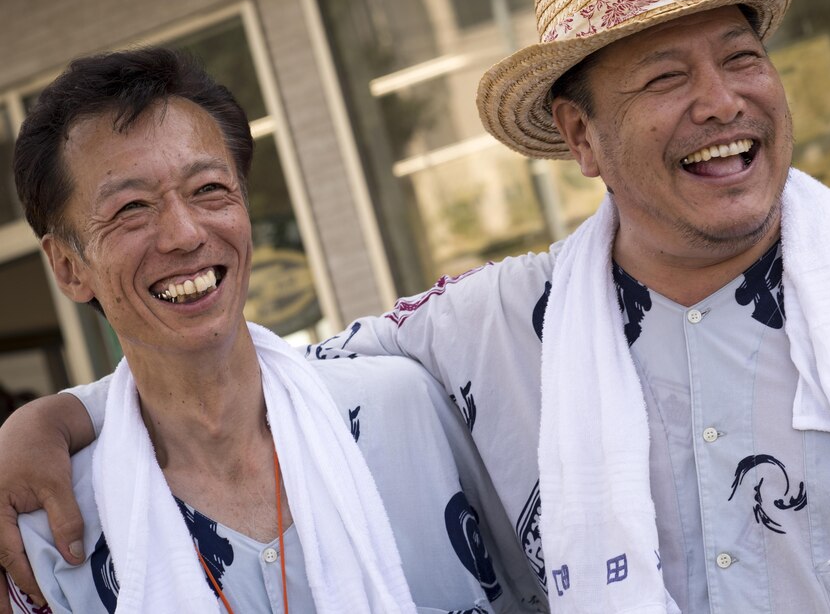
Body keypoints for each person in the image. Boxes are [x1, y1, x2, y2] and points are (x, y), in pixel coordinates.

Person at [3, 0, 830, 613]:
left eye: (740, 57)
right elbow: (242, 364)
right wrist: (59, 416)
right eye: (664, 79)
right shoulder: (489, 330)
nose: (721, 101)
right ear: (579, 139)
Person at [1, 47, 534, 613]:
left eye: (209, 189)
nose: (184, 234)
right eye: (132, 207)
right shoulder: (54, 531)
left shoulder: (407, 409)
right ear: (68, 266)